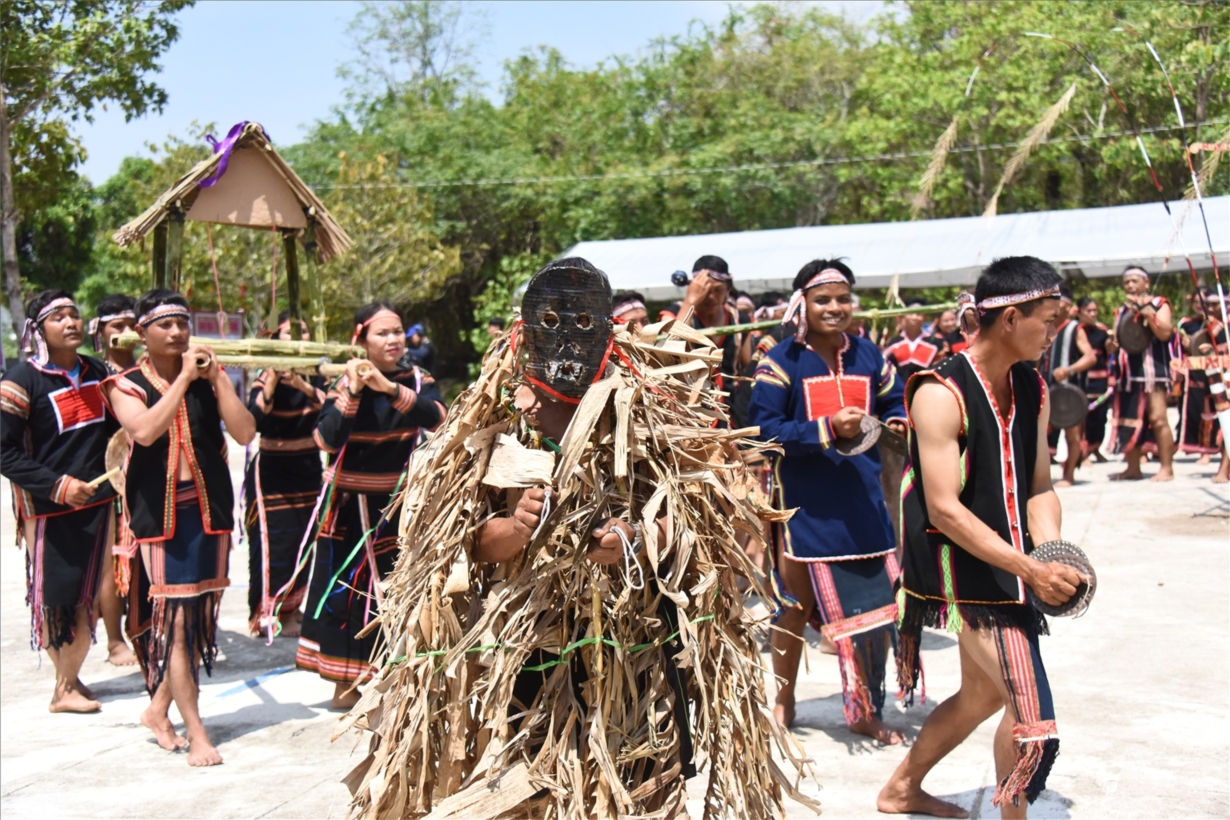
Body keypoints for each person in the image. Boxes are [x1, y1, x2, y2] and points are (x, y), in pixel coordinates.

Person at [336, 257, 815, 818]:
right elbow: (461, 551)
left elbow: (703, 522)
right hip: (535, 654)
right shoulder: (500, 420)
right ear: (527, 328)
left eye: (585, 321)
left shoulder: (645, 411)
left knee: (646, 785)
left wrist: (634, 537)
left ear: (606, 328)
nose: (568, 337)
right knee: (540, 785)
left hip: (635, 645)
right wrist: (516, 528)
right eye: (553, 319)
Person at [879, 257, 1086, 819]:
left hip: (1012, 559)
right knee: (1032, 721)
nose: (1055, 328)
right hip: (961, 566)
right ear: (1012, 317)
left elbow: (1040, 484)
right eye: (1048, 317)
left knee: (982, 695)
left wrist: (1054, 555)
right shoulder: (940, 392)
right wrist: (1030, 569)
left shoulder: (1032, 384)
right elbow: (944, 510)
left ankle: (900, 790)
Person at [748, 260, 909, 744]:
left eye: (843, 298)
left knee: (873, 614)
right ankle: (784, 697)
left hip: (864, 502)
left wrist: (899, 420)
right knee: (793, 608)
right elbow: (762, 431)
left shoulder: (869, 356)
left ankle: (864, 708)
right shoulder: (779, 361)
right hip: (805, 507)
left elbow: (894, 400)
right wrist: (825, 430)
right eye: (823, 300)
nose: (835, 308)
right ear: (803, 304)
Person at [101, 289, 256, 765]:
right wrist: (185, 378)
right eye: (164, 325)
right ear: (142, 334)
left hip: (208, 511)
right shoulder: (123, 383)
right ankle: (196, 730)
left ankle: (157, 709)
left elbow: (246, 433)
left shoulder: (209, 382)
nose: (176, 332)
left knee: (198, 618)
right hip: (161, 519)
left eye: (182, 323)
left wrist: (219, 381)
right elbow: (144, 432)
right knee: (178, 621)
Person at [297, 301, 446, 710]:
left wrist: (390, 389)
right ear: (360, 339)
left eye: (397, 331)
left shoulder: (418, 377)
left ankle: (399, 678)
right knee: (345, 594)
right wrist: (357, 389)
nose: (394, 339)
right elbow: (326, 440)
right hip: (349, 509)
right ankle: (344, 683)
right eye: (382, 333)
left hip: (401, 507)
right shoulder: (342, 383)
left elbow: (439, 418)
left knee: (400, 592)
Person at [1, 290, 117, 713]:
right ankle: (63, 688)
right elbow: (4, 451)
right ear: (38, 330)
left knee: (88, 597)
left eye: (74, 314)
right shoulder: (21, 380)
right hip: (48, 507)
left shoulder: (97, 371)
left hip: (98, 502)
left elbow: (116, 434)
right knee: (57, 595)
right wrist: (56, 486)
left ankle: (70, 679)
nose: (70, 322)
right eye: (58, 317)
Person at [244, 312, 325, 640]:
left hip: (307, 469)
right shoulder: (266, 375)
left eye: (303, 331)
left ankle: (293, 607)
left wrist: (304, 384)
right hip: (273, 473)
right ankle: (268, 613)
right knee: (274, 545)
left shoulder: (320, 375)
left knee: (304, 543)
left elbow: (334, 412)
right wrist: (276, 379)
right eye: (290, 332)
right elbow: (253, 421)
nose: (297, 337)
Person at [89, 294, 139, 666]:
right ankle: (113, 639)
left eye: (130, 325)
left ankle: (143, 626)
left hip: (148, 476)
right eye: (116, 327)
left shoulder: (150, 368)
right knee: (112, 561)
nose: (125, 333)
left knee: (142, 562)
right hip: (108, 478)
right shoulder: (92, 373)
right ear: (101, 333)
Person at [1109, 266, 1176, 481]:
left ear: (1146, 283)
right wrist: (1111, 343)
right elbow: (1114, 346)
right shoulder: (1121, 311)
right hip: (1128, 373)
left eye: (1135, 281)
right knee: (1130, 420)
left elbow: (1166, 334)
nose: (1130, 285)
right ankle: (1133, 468)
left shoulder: (1159, 304)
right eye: (1127, 282)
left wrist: (1149, 313)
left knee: (1158, 419)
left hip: (1153, 371)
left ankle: (1167, 468)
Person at [659, 255, 752, 397]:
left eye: (718, 290)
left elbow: (748, 367)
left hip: (732, 407)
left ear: (728, 288)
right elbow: (666, 352)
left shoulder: (740, 319)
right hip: (690, 405)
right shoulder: (674, 314)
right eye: (705, 290)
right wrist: (690, 302)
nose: (711, 297)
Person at [1175, 290, 1229, 481]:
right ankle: (1223, 468)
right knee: (1225, 423)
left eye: (1217, 304)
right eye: (1209, 305)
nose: (1212, 309)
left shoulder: (1220, 325)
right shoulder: (1199, 324)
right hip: (1218, 382)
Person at [883, 300, 947, 383]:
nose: (914, 317)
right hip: (899, 390)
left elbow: (941, 370)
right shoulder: (893, 342)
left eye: (919, 314)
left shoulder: (935, 343)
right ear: (904, 316)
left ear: (925, 317)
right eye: (910, 313)